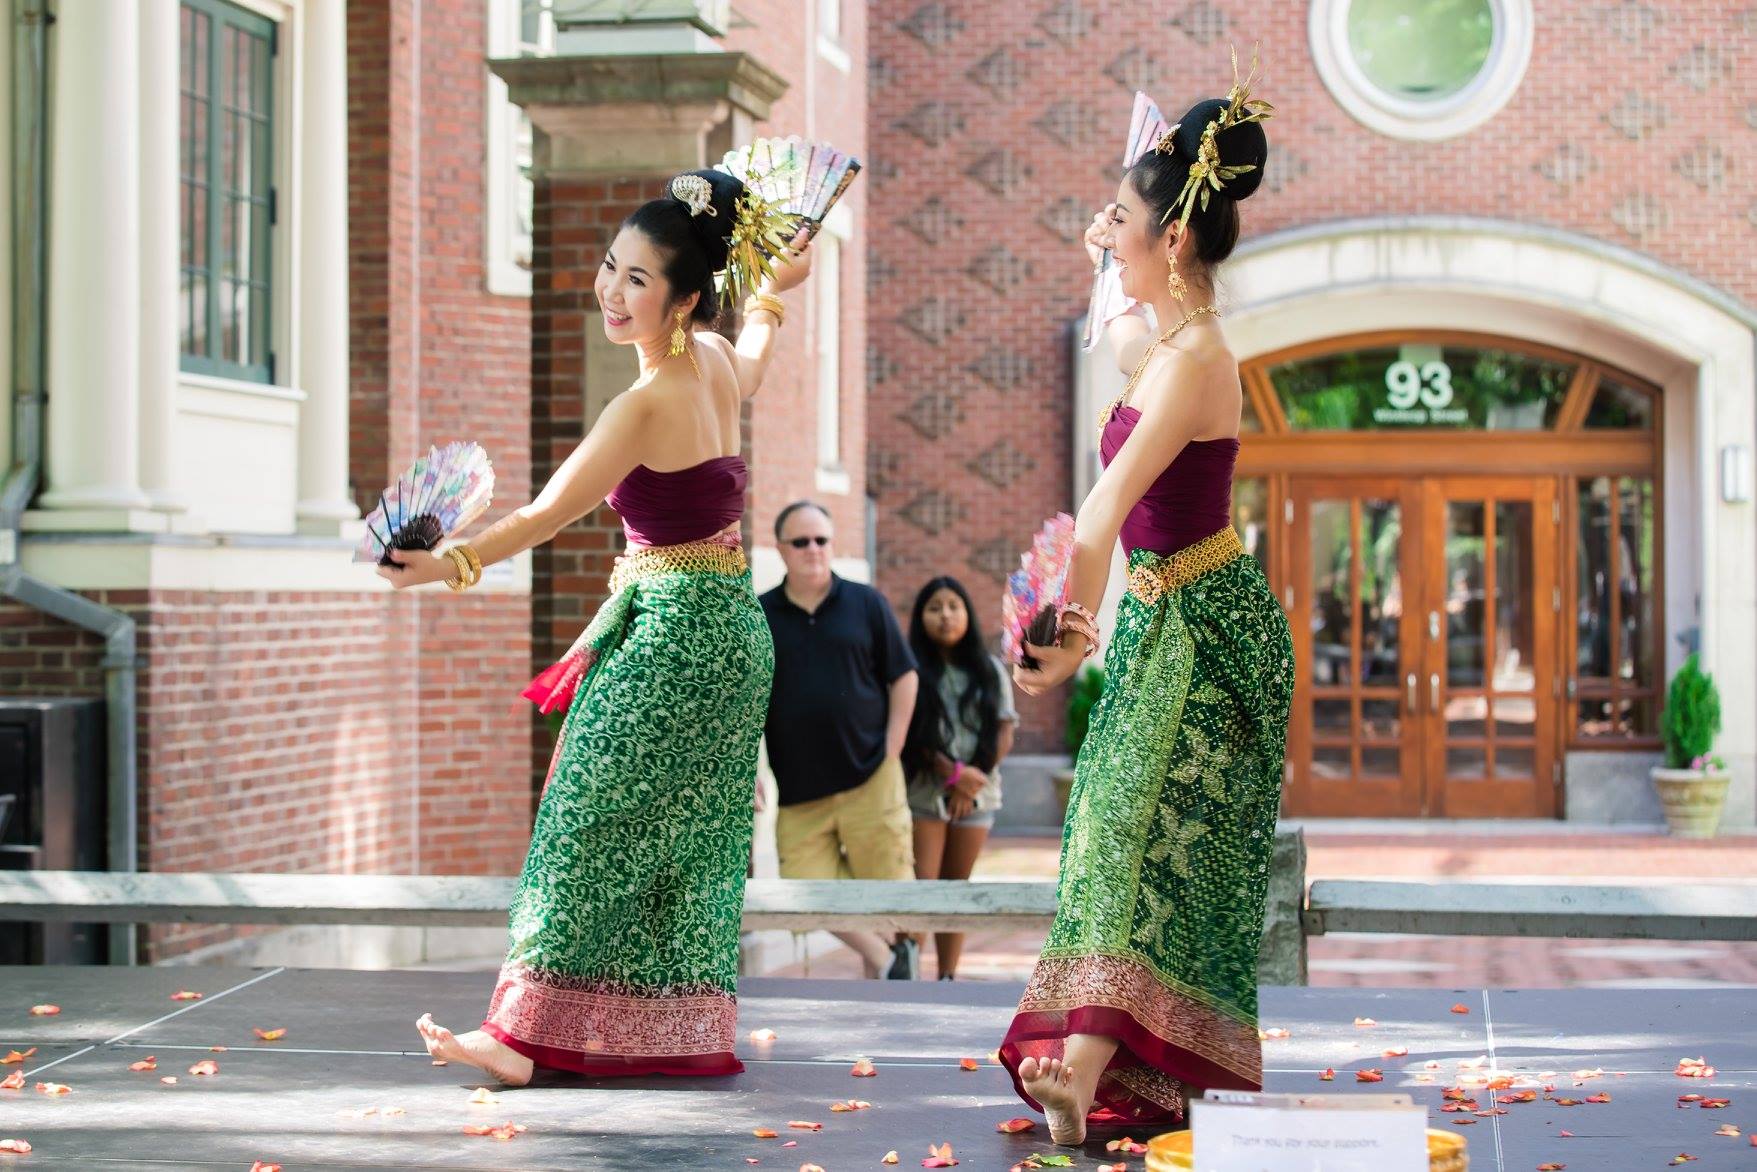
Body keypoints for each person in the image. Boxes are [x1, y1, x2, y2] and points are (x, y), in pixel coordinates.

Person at [380, 168, 810, 1083]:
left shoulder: (643, 404)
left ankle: (522, 1036)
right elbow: (756, 359)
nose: (613, 291)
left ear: (684, 299)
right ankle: (649, 1031)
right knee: (676, 839)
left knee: (584, 822)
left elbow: (543, 516)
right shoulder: (713, 361)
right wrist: (775, 292)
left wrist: (446, 565)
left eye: (638, 279)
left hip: (676, 638)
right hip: (731, 636)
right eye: (612, 267)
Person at [998, 62, 1295, 1145]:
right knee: (1109, 832)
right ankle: (1089, 1075)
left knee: (1134, 832)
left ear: (1170, 236)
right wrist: (1107, 252)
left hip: (1210, 630)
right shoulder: (1161, 344)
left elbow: (1099, 512)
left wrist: (1063, 634)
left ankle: (1084, 1071)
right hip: (1166, 619)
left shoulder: (1195, 360)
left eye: (1118, 216)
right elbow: (1119, 324)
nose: (1103, 229)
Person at [760, 500, 921, 979]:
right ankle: (887, 961)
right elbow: (744, 700)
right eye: (800, 542)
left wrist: (893, 746)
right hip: (800, 789)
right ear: (781, 549)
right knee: (803, 891)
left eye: (821, 540)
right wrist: (745, 769)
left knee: (887, 897)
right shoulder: (761, 614)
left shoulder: (866, 603)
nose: (813, 549)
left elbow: (904, 675)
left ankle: (886, 989)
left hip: (870, 777)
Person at [901, 575, 1018, 980]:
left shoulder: (990, 670)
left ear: (968, 613)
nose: (945, 615)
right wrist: (953, 775)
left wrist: (971, 781)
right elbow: (912, 735)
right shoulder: (911, 670)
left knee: (957, 888)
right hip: (925, 793)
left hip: (978, 794)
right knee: (924, 888)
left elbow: (1004, 731)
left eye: (954, 606)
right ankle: (908, 976)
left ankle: (947, 978)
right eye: (935, 608)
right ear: (921, 618)